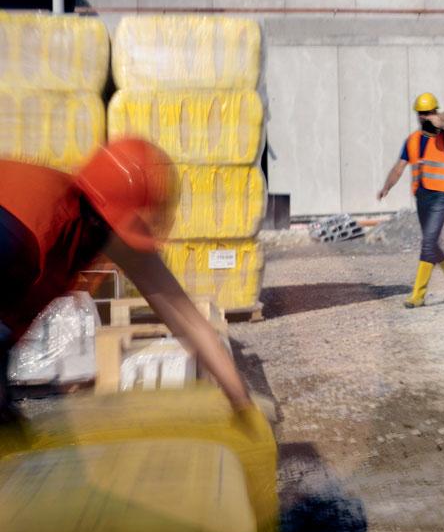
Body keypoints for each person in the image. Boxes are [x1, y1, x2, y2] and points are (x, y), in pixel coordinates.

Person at [0, 137, 255, 424]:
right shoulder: (31, 231)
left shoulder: (100, 220)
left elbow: (186, 317)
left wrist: (241, 403)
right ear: (104, 220)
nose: (132, 253)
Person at [377, 92, 444, 309]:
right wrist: (386, 187)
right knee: (432, 244)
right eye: (421, 113)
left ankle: (418, 295)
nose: (425, 116)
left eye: (429, 112)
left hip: (442, 196)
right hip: (423, 197)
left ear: (436, 112)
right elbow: (399, 168)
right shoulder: (412, 141)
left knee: (427, 243)